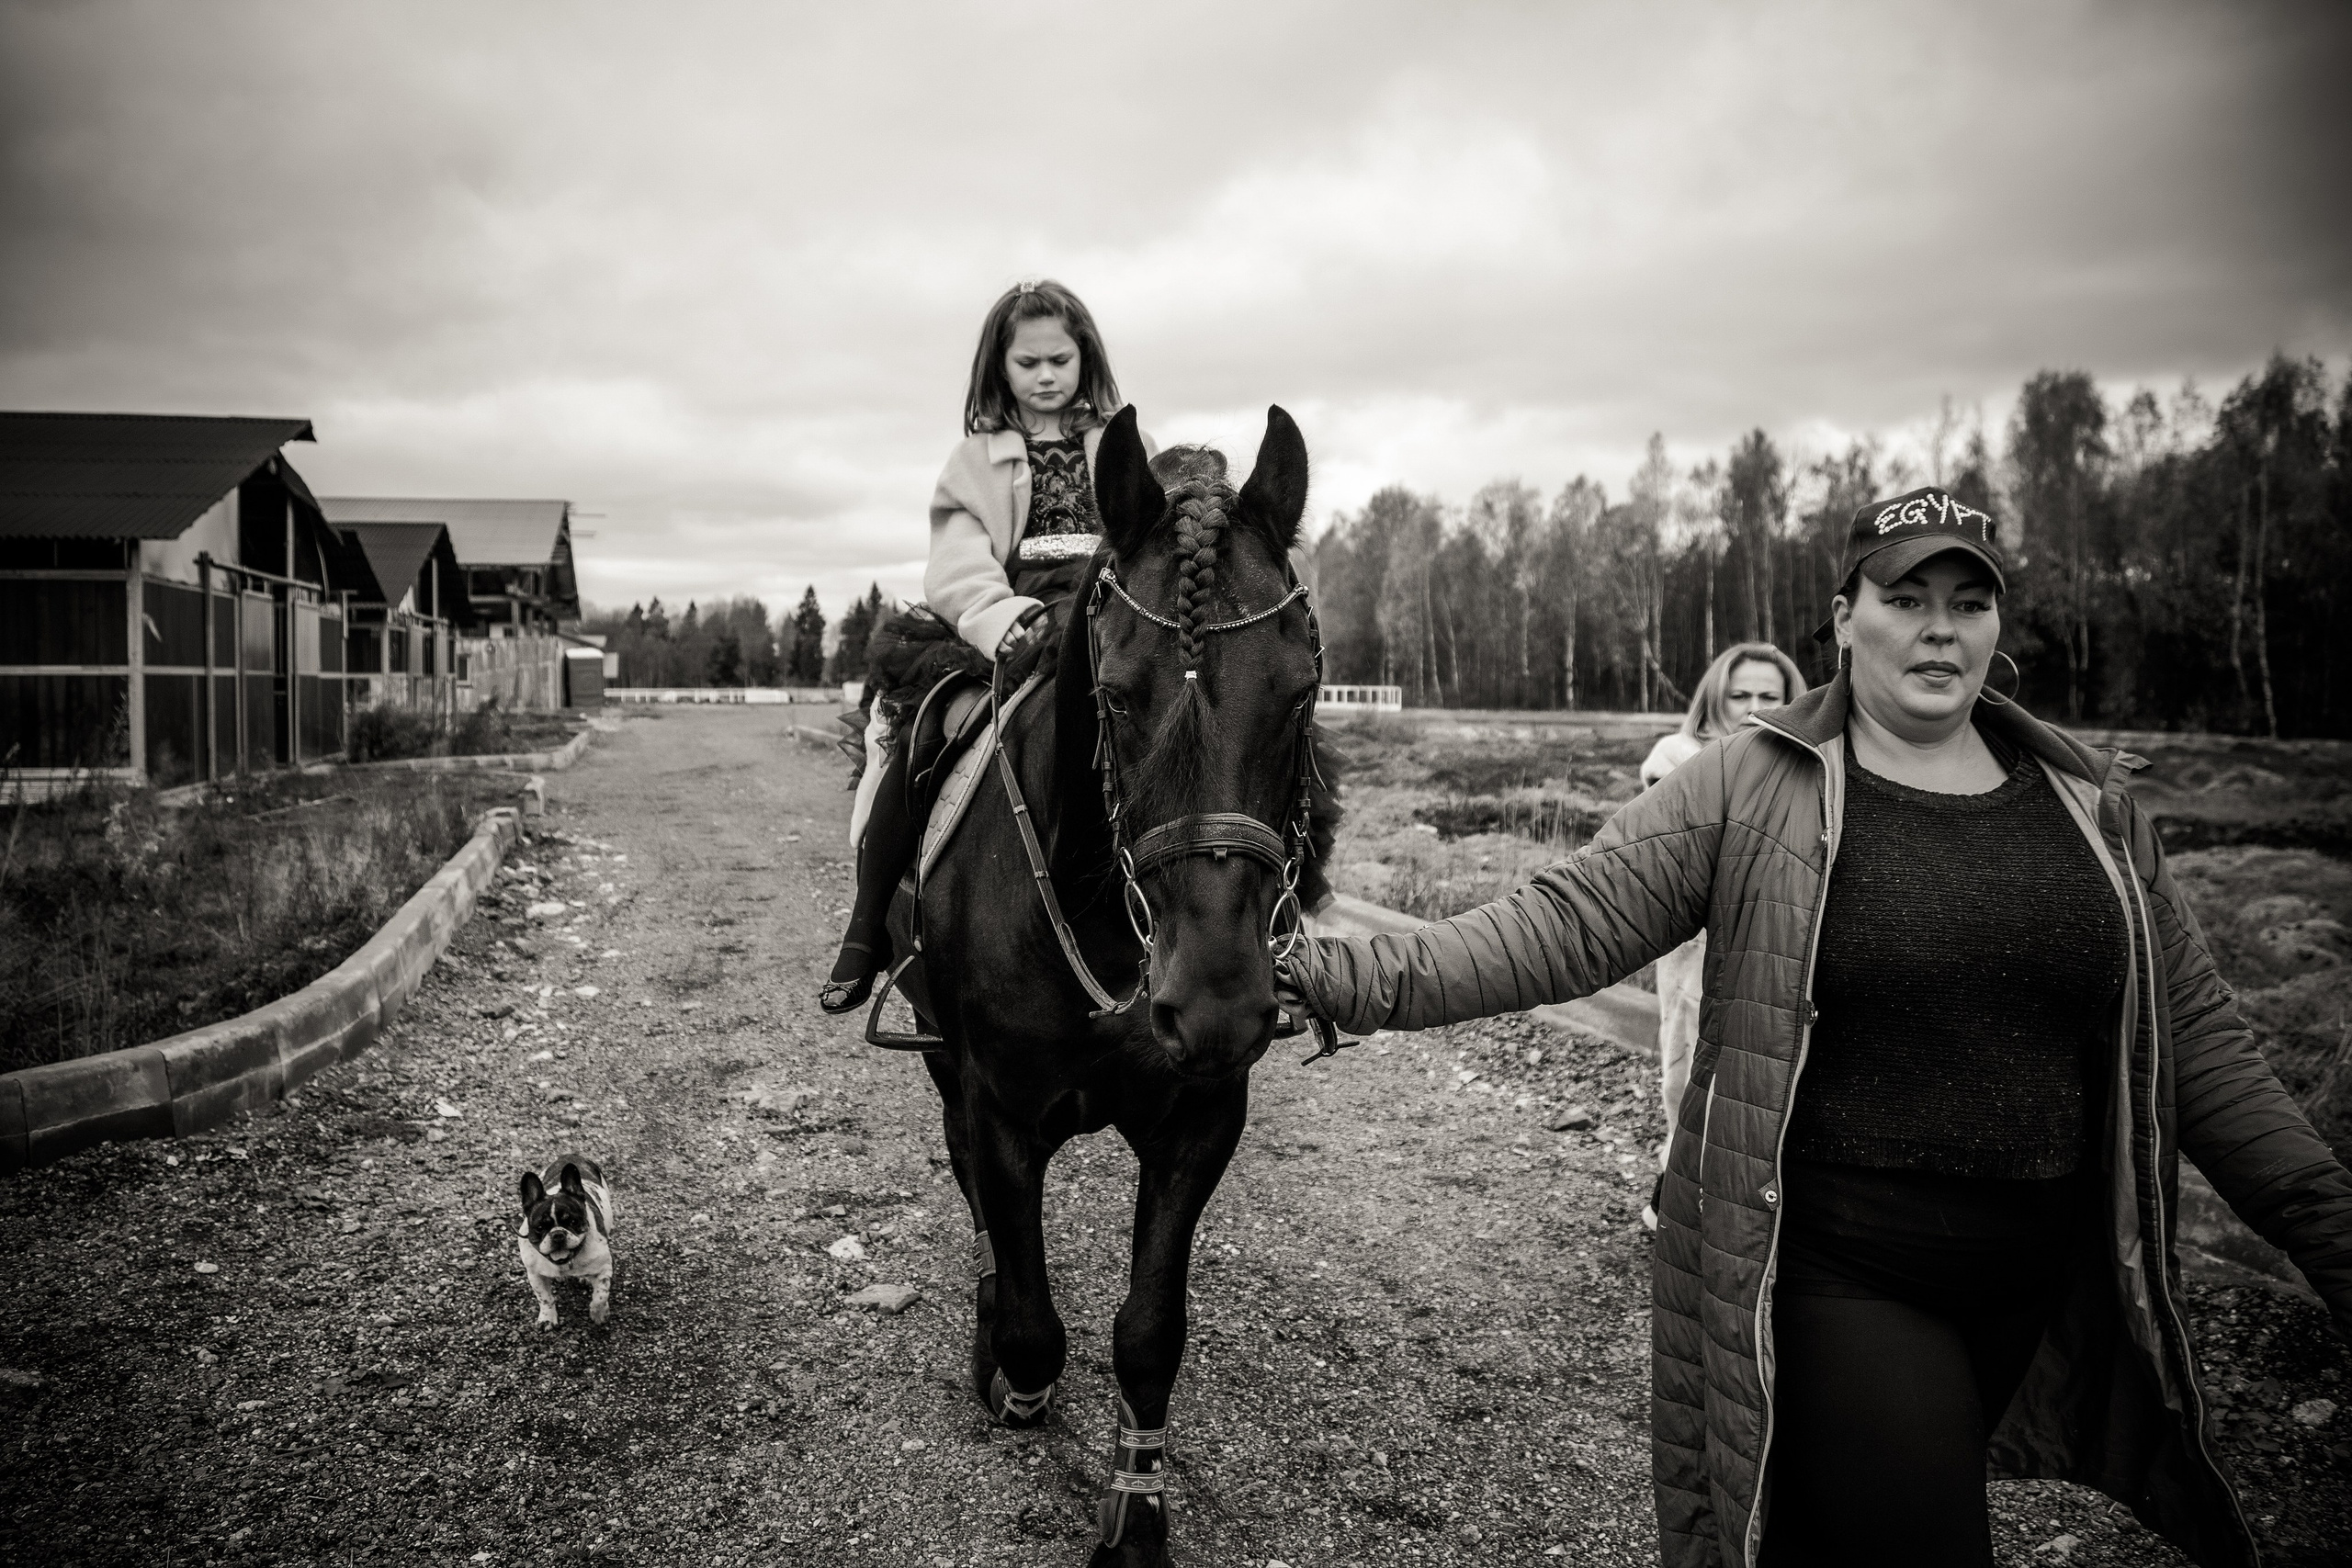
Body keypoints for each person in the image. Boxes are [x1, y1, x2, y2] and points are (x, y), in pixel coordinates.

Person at [1274, 486, 2352, 1567]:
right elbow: (1554, 927)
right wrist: (1324, 975)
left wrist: (2331, 1238)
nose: (1940, 626)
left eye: (1968, 602)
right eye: (1906, 596)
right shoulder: (1752, 782)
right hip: (1846, 1272)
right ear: (1843, 617)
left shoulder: (2090, 805)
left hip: (2029, 1277)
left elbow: (2205, 1048)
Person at [820, 280, 1152, 1013]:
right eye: (1027, 362)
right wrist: (998, 615)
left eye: (1059, 359)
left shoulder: (1126, 445)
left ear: (1084, 357)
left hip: (1113, 622)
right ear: (999, 367)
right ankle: (867, 926)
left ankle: (1265, 938)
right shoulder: (974, 461)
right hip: (1014, 628)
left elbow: (1152, 538)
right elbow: (958, 559)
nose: (1044, 375)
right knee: (929, 729)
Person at [1637, 642, 1806, 1229]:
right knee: (1686, 1066)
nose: (1753, 706)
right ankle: (1674, 1187)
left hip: (1780, 947)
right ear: (1716, 700)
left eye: (1768, 696)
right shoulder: (1680, 759)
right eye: (1740, 695)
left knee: (1764, 1077)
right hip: (1697, 950)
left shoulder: (1810, 767)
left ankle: (1750, 1205)